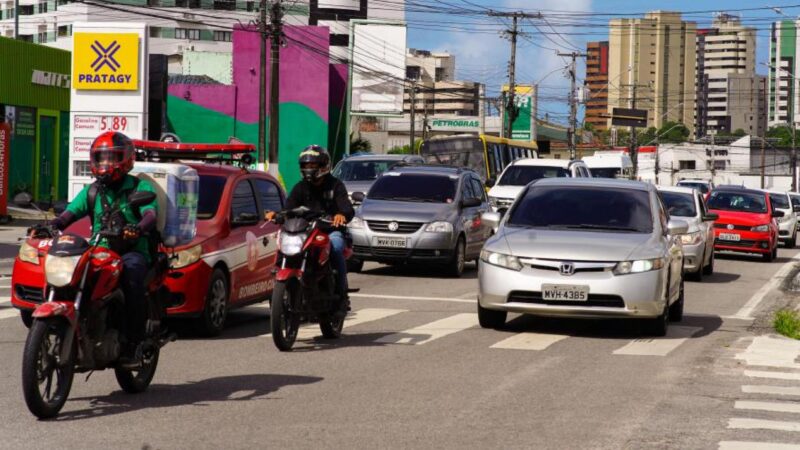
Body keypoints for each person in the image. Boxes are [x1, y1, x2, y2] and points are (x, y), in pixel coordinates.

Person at [51, 131, 158, 357]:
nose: (105, 163)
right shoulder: (92, 191)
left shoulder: (141, 188)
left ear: (126, 159)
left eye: (111, 157)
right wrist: (54, 224)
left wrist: (138, 228)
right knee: (70, 274)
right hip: (100, 250)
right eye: (101, 158)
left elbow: (150, 214)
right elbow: (69, 213)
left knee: (131, 278)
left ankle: (133, 341)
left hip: (132, 251)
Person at [265, 145, 355, 305]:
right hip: (305, 231)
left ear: (323, 166)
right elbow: (288, 208)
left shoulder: (335, 185)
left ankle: (342, 293)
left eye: (313, 165)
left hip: (329, 231)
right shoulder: (300, 187)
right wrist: (277, 215)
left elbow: (347, 208)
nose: (309, 169)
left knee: (335, 246)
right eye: (305, 165)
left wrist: (341, 215)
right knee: (285, 244)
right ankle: (279, 277)